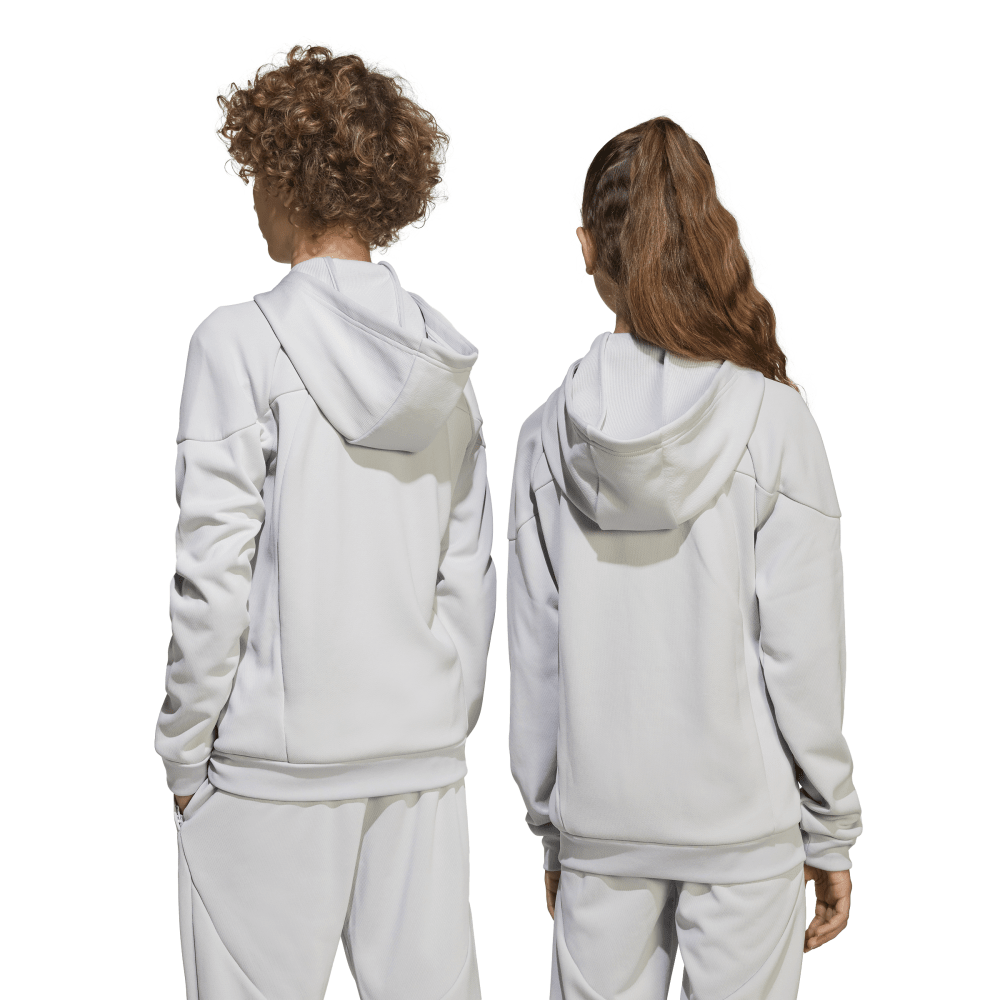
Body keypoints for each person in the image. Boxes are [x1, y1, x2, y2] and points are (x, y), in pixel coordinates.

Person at [155, 47, 495, 1000]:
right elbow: (468, 578)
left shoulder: (238, 344)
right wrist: (433, 716)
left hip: (273, 774)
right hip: (418, 765)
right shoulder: (442, 366)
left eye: (257, 172)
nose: (253, 197)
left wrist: (183, 748)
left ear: (287, 176)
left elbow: (213, 572)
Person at [507, 117, 861, 1000]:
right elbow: (803, 655)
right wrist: (830, 828)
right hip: (744, 833)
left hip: (601, 833)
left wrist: (553, 827)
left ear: (588, 248)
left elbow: (535, 656)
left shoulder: (546, 437)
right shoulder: (775, 421)